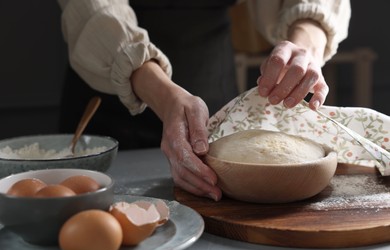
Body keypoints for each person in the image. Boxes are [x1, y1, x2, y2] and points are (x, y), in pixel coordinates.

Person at [57, 0, 351, 201]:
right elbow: (91, 8)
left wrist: (305, 46)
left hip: (208, 75)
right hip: (106, 80)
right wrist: (161, 93)